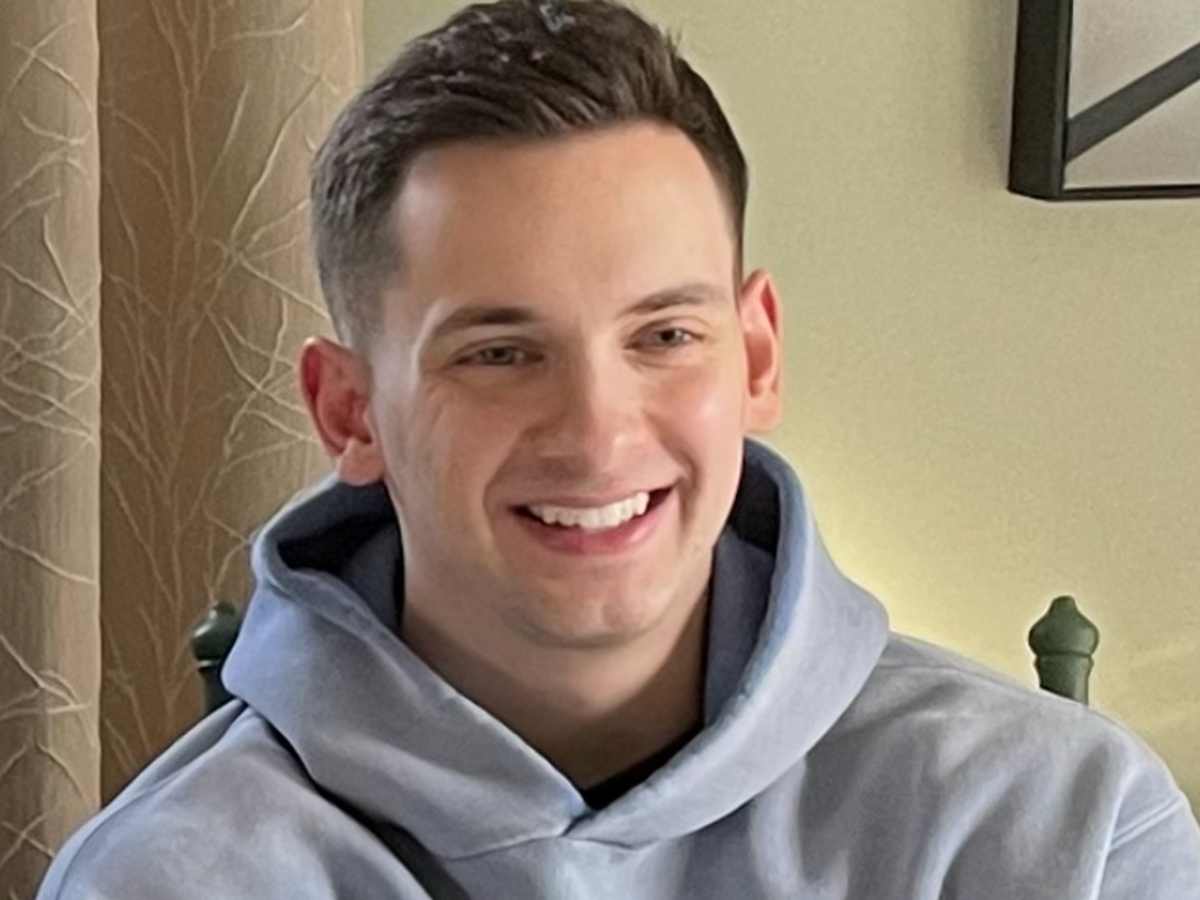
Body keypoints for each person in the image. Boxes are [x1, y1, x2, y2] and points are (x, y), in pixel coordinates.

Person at [36, 1, 1200, 897]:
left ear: (755, 356)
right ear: (350, 412)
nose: (597, 433)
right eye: (499, 353)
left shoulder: (1064, 829)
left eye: (664, 337)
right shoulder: (169, 878)